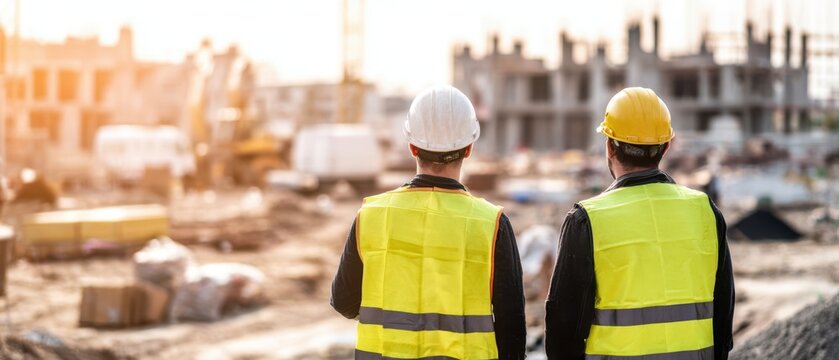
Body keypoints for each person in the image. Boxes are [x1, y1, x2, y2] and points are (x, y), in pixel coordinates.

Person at [332, 85, 526, 359]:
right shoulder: (491, 224)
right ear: (469, 148)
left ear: (412, 147)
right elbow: (512, 328)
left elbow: (344, 302)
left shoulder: (372, 215)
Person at [544, 87, 735, 360]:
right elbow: (723, 320)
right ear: (666, 146)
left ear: (609, 146)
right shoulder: (705, 211)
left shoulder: (587, 220)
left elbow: (563, 329)